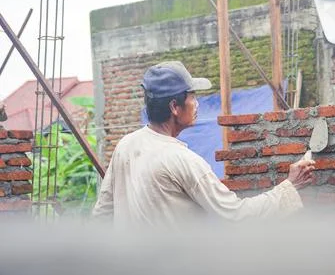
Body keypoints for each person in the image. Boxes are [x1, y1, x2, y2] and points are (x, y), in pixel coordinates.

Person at [92, 61, 315, 227]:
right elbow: (235, 214)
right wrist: (289, 186)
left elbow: (102, 214)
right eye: (192, 97)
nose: (197, 103)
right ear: (174, 107)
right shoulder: (182, 160)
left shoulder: (126, 146)